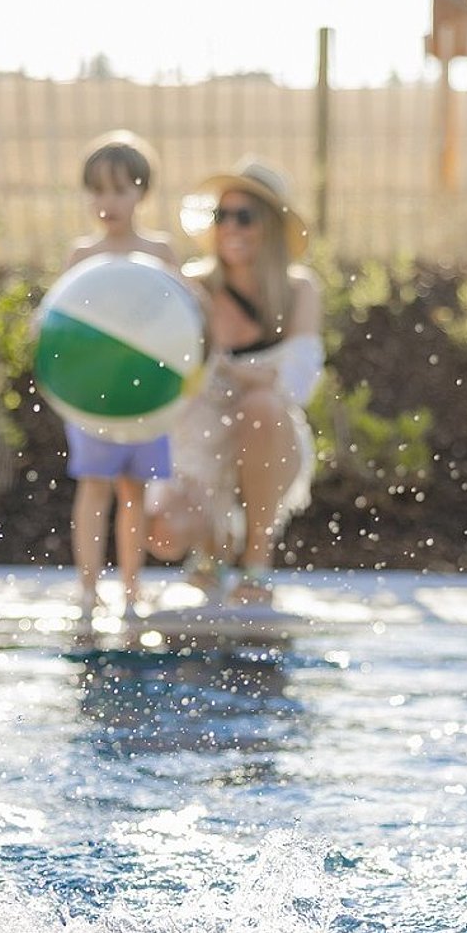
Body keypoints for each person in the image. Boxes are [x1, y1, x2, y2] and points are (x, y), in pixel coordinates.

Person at [146, 158, 324, 605]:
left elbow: (297, 382)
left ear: (270, 226)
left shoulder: (298, 290)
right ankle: (212, 550)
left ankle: (256, 559)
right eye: (221, 215)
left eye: (244, 216)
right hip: (202, 440)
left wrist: (231, 373)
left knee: (261, 405)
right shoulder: (195, 285)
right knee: (163, 533)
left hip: (268, 438)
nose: (231, 227)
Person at [57, 130, 179, 628]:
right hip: (93, 398)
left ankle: (132, 589)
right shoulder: (81, 257)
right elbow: (59, 323)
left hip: (146, 397)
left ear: (141, 192)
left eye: (120, 190)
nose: (107, 202)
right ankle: (88, 589)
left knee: (135, 491)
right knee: (94, 486)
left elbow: (180, 318)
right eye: (98, 191)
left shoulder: (159, 252)